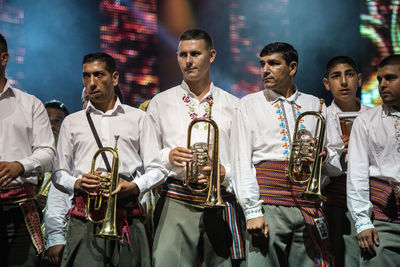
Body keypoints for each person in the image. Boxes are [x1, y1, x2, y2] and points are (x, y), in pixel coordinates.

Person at [231, 42, 343, 267]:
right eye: (262, 64)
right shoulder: (248, 105)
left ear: (292, 68)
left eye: (273, 63)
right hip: (268, 204)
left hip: (308, 203)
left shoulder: (317, 105)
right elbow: (240, 161)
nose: (265, 70)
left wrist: (323, 158)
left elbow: (335, 165)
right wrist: (252, 211)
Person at [51, 52, 167, 266]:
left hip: (128, 217)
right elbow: (58, 174)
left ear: (114, 78)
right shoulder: (71, 122)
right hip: (85, 218)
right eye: (86, 76)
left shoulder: (138, 118)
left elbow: (158, 169)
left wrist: (134, 186)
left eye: (98, 75)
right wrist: (77, 182)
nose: (91, 83)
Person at [148, 28, 243, 267]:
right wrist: (167, 155)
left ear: (211, 56)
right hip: (177, 200)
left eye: (195, 54)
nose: (188, 61)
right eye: (183, 55)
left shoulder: (235, 105)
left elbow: (244, 159)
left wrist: (225, 173)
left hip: (221, 200)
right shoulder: (160, 102)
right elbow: (147, 158)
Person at [0, 33, 56, 266]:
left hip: (20, 209)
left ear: (4, 58)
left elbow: (49, 153)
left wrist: (20, 165)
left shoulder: (30, 104)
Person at [347, 54, 400, 266]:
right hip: (383, 221)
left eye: (390, 78)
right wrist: (362, 222)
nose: (382, 85)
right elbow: (357, 174)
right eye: (379, 79)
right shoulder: (366, 121)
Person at [322, 56, 371, 266]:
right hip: (333, 202)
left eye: (349, 74)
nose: (343, 82)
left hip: (370, 200)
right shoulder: (320, 116)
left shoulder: (374, 116)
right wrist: (336, 152)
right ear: (327, 83)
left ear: (359, 79)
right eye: (336, 76)